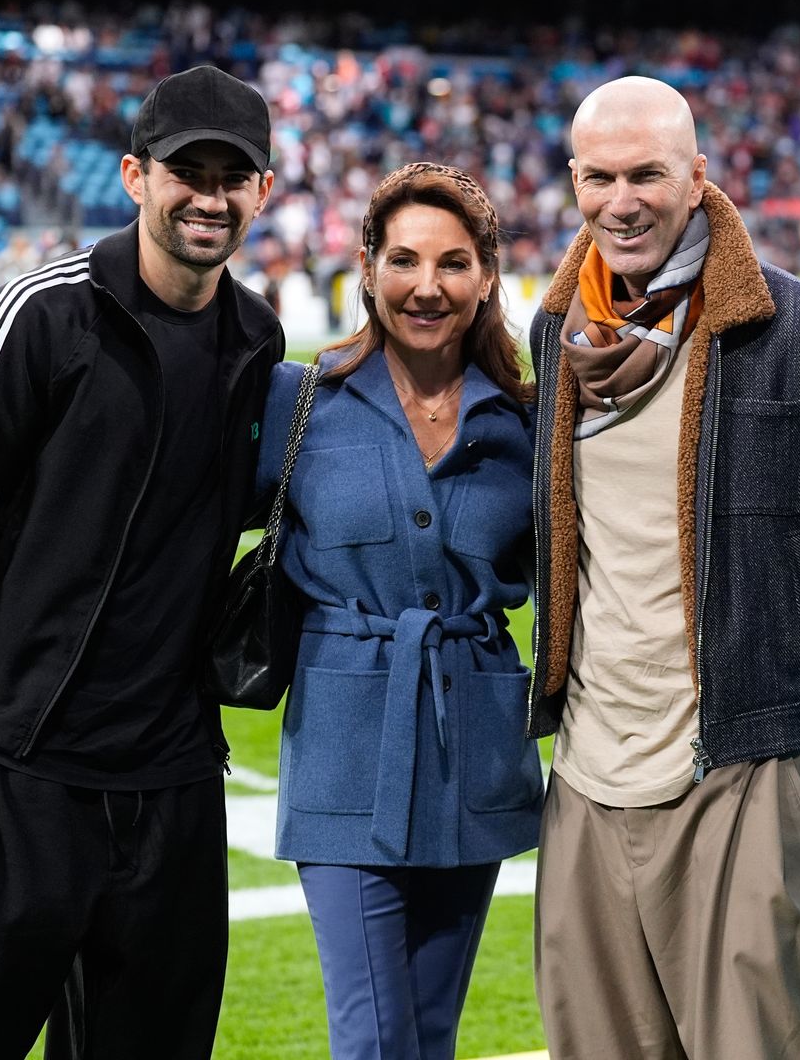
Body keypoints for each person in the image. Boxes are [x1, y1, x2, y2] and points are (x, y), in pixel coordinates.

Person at [0, 65, 282, 1060]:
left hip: (174, 783)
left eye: (232, 178)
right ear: (135, 176)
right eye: (186, 172)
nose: (209, 197)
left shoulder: (257, 338)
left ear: (264, 192)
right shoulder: (34, 315)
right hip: (18, 773)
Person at [525, 76, 800, 1058]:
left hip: (748, 768)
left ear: (698, 177)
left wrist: (781, 718)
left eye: (647, 174)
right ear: (573, 181)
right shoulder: (555, 336)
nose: (621, 201)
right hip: (588, 775)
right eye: (599, 178)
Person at [259, 162, 539, 1060]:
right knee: (373, 1037)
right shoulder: (300, 399)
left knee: (428, 1033)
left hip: (475, 749)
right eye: (405, 260)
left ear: (486, 278)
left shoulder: (526, 420)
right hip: (343, 752)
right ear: (368, 267)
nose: (428, 286)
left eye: (454, 263)